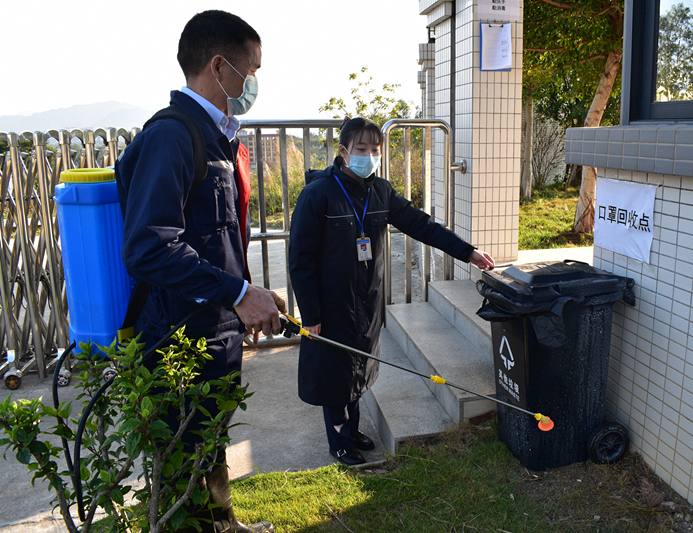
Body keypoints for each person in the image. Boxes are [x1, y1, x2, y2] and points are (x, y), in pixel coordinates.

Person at [115, 10, 282, 533]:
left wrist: (248, 297)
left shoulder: (218, 139)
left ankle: (224, 525)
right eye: (251, 69)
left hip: (212, 330)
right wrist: (236, 292)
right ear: (219, 66)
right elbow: (149, 248)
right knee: (182, 457)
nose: (254, 82)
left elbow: (214, 240)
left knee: (208, 443)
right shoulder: (173, 137)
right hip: (177, 339)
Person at [288, 117, 495, 466]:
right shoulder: (318, 194)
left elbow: (421, 224)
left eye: (375, 150)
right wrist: (311, 314)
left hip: (367, 299)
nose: (369, 156)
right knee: (336, 370)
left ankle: (351, 431)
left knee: (359, 367)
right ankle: (339, 441)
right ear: (343, 152)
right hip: (332, 301)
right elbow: (300, 260)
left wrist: (467, 251)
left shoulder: (380, 190)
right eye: (361, 149)